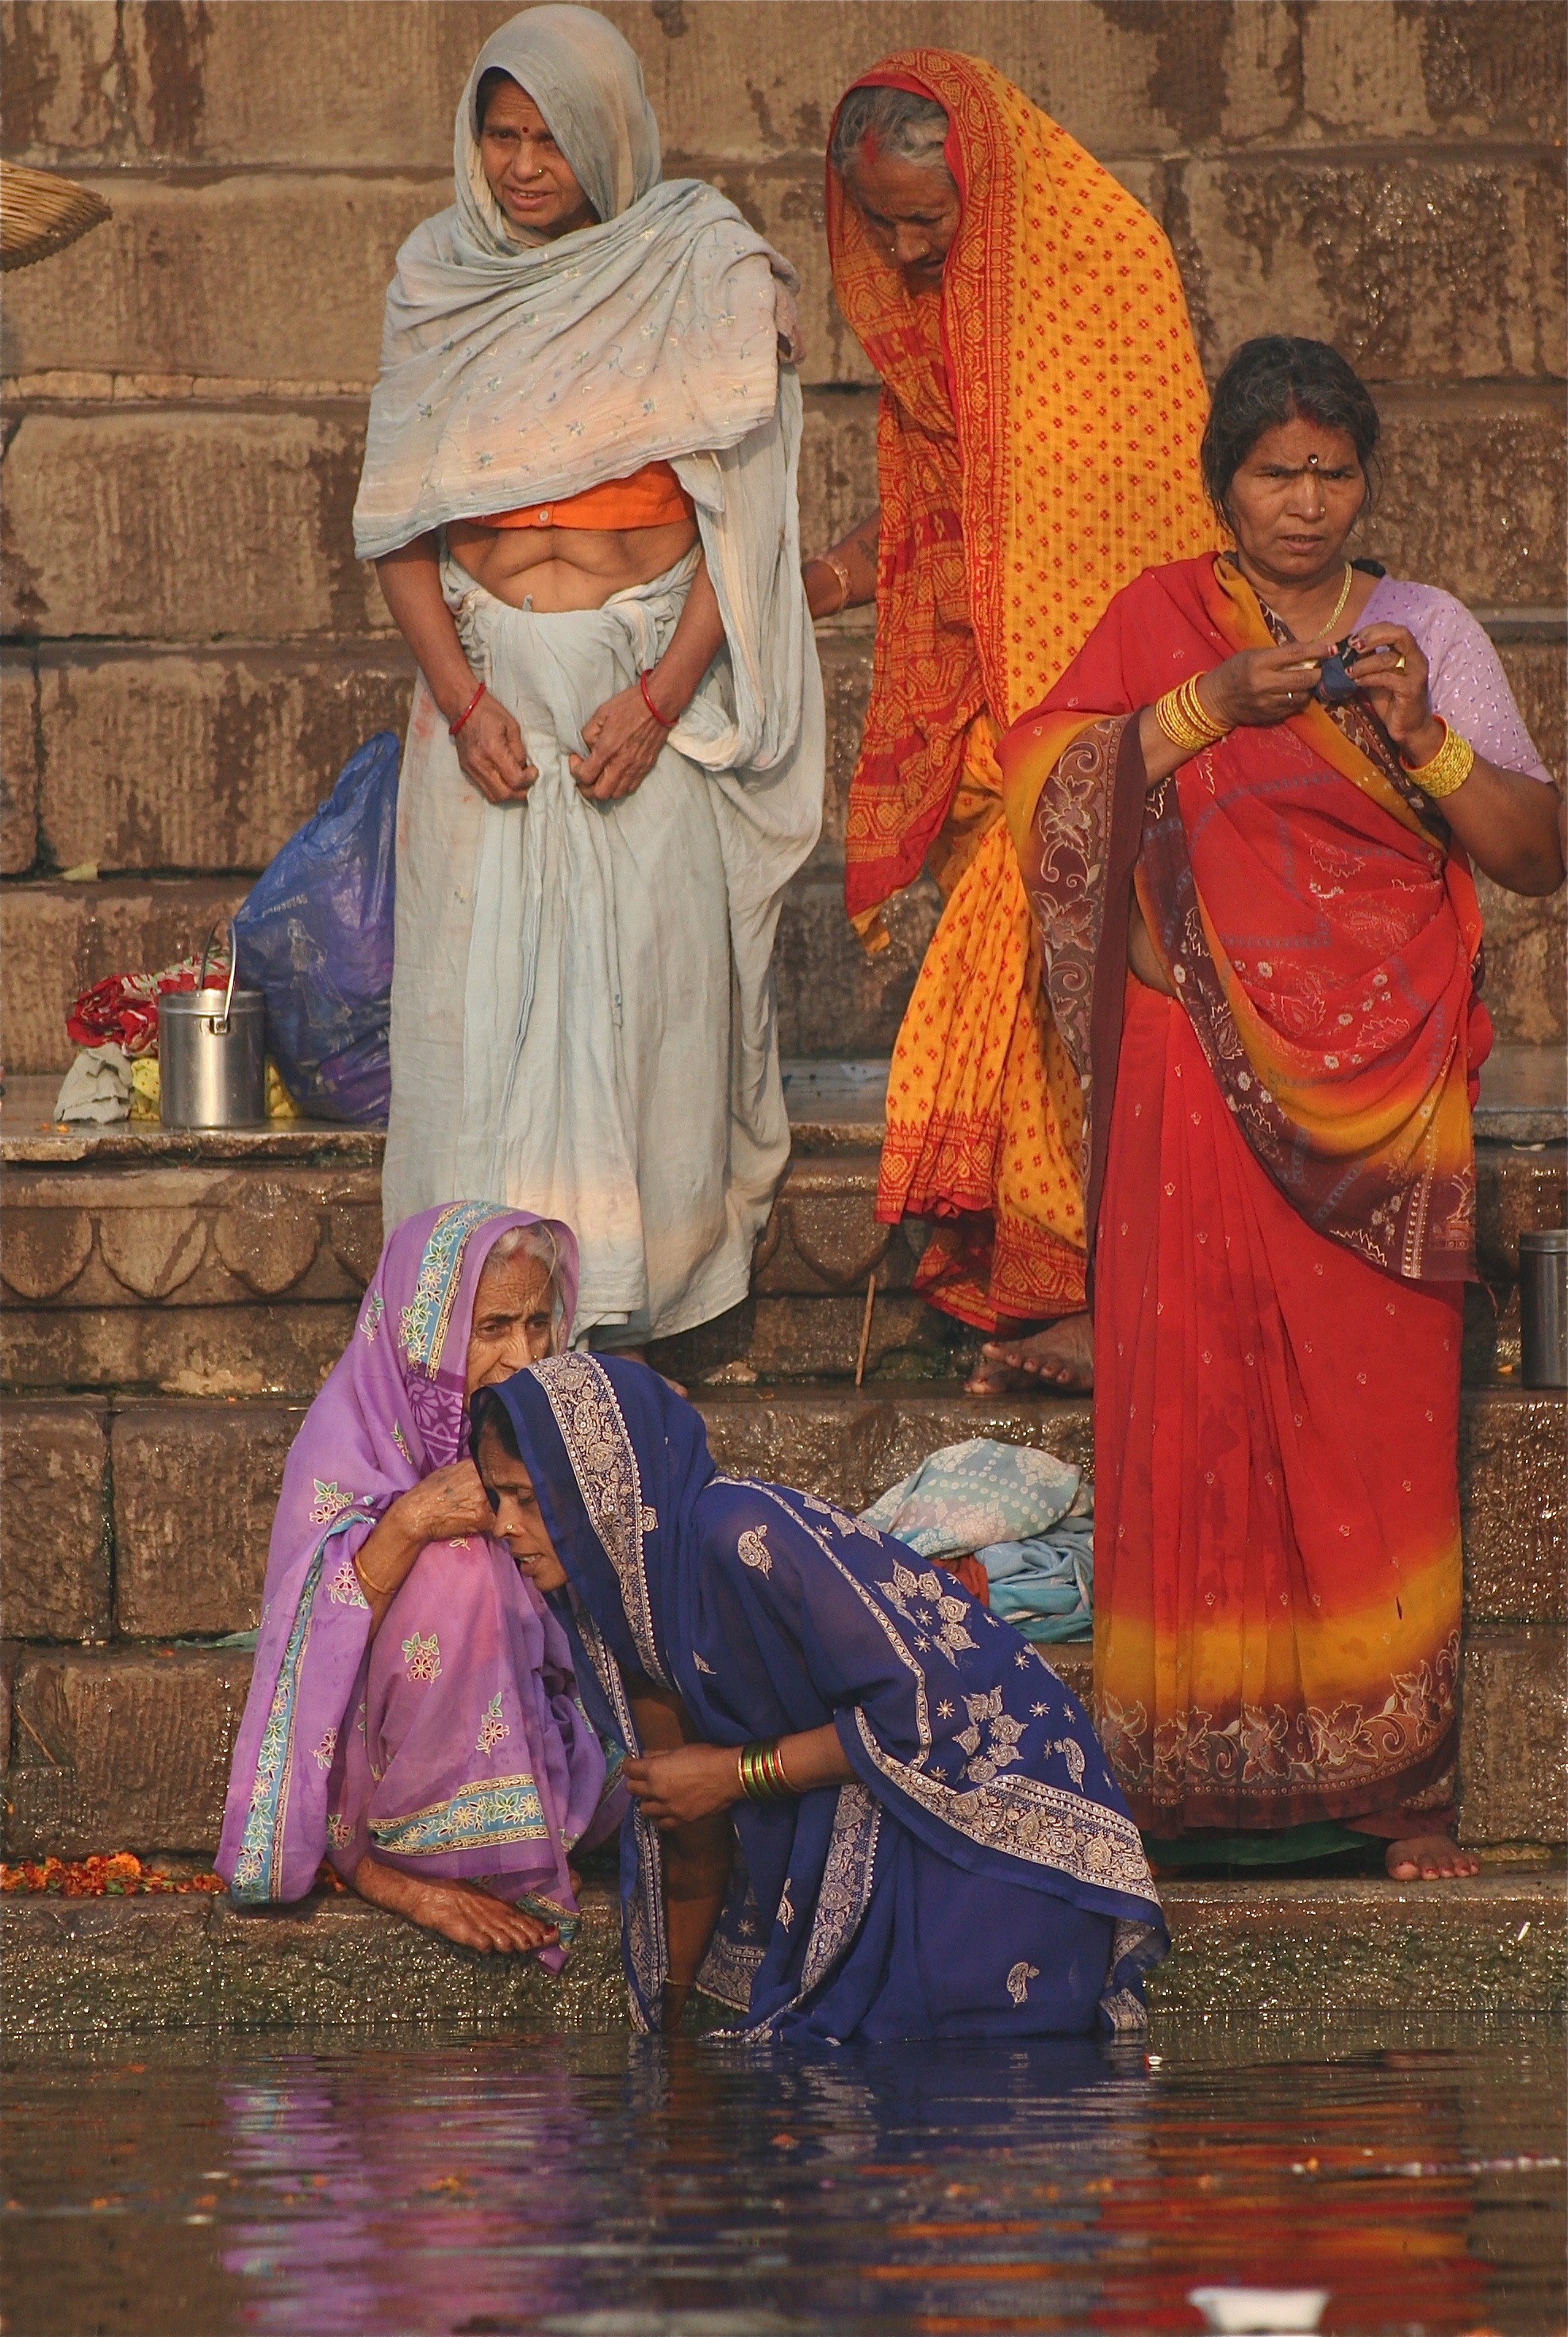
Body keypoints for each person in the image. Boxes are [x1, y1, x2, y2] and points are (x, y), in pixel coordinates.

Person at [997, 336, 1564, 1881]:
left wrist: (1423, 737)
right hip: (1195, 1076)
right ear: (1222, 485)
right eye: (1273, 472)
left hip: (1387, 1097)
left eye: (1330, 470)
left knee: (1377, 1425)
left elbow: (1531, 851)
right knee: (1195, 1407)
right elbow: (1042, 787)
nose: (1304, 502)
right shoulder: (1162, 622)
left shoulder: (1426, 628)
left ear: (1364, 480)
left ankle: (1396, 1792)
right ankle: (1177, 1782)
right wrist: (1193, 709)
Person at [354, 7, 823, 1358]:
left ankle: (635, 1313)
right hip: (485, 704)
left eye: (550, 135)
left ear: (608, 135)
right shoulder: (437, 278)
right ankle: (464, 1330)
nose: (521, 164)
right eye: (499, 135)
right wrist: (459, 698)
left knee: (647, 1014)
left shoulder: (698, 262)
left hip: (639, 699)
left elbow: (748, 526)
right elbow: (396, 526)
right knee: (473, 1018)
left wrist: (664, 694)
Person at [802, 60, 1216, 1391]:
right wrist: (818, 580)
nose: (912, 251)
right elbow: (950, 509)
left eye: (932, 221)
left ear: (988, 182)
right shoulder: (940, 326)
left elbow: (1132, 507)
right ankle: (1066, 1293)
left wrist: (1084, 713)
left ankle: (1118, 1305)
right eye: (886, 229)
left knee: (1101, 981)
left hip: (1127, 701)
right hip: (1006, 704)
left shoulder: (1100, 266)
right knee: (1038, 990)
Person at [471, 1352, 1166, 2042]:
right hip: (867, 1831)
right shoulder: (618, 1603)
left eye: (528, 1499)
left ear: (601, 1490)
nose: (504, 1526)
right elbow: (688, 1826)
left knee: (918, 2076)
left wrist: (731, 1774)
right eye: (496, 1497)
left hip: (985, 1825)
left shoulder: (740, 1536)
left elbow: (923, 1716)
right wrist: (665, 2043)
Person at [217, 1202, 621, 1958]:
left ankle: (507, 1833)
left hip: (537, 1726)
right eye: (493, 1327)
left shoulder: (534, 1422)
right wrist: (410, 1523)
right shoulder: (345, 1439)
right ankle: (399, 1869)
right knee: (459, 1569)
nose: (525, 1356)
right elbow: (308, 1646)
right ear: (425, 1335)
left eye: (538, 1323)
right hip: (367, 1766)